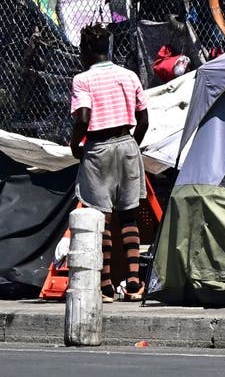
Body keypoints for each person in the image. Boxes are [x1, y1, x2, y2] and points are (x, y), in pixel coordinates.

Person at [69, 23, 149, 303]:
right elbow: (144, 118)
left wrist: (74, 145)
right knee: (129, 216)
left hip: (98, 148)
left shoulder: (82, 80)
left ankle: (105, 287)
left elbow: (82, 117)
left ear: (87, 50)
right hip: (127, 144)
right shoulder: (129, 76)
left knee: (100, 218)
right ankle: (135, 283)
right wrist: (132, 146)